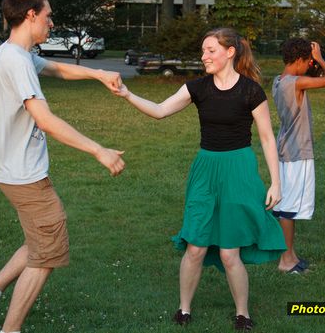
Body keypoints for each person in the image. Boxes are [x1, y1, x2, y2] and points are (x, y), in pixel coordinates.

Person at [0, 0, 125, 333]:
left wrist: (98, 74)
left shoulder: (16, 54)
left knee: (41, 239)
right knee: (48, 252)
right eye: (48, 16)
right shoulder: (14, 61)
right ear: (31, 15)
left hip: (13, 170)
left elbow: (54, 68)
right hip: (25, 176)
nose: (52, 23)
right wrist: (99, 149)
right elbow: (46, 120)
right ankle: (10, 330)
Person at [114, 27, 286, 331]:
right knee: (195, 244)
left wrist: (276, 182)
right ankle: (184, 309)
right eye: (203, 50)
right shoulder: (197, 87)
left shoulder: (251, 90)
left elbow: (267, 138)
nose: (203, 56)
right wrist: (128, 94)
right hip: (206, 170)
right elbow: (159, 111)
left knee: (230, 251)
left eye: (210, 50)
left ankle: (242, 314)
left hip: (239, 170)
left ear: (230, 52)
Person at [271, 38, 325, 272]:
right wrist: (321, 59)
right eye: (309, 62)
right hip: (297, 152)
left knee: (285, 207)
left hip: (285, 149)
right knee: (289, 209)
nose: (310, 66)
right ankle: (286, 262)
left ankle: (290, 254)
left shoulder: (278, 81)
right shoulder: (296, 82)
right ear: (300, 60)